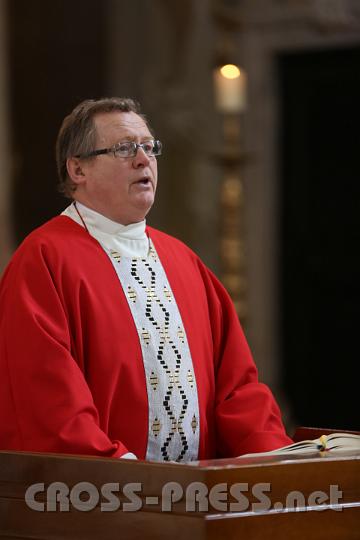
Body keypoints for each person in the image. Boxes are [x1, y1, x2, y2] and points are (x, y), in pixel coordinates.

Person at [0, 97, 293, 462]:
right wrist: (122, 475)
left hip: (198, 497)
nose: (143, 159)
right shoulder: (45, 259)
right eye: (124, 148)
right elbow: (45, 395)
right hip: (105, 498)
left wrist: (271, 459)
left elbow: (236, 386)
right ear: (78, 169)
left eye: (149, 147)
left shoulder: (183, 261)